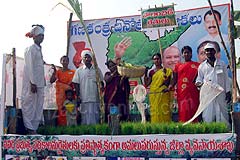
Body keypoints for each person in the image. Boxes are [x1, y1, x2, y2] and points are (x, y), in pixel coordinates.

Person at [195, 42, 231, 128]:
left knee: (223, 113)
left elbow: (226, 78)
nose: (209, 53)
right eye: (207, 51)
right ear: (205, 53)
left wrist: (228, 92)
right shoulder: (202, 66)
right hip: (208, 94)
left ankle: (224, 131)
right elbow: (199, 79)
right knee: (208, 114)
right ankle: (209, 132)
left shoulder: (221, 64)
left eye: (211, 51)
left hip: (220, 93)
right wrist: (198, 83)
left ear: (214, 52)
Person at [21, 24, 45, 134]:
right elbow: (29, 66)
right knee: (29, 104)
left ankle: (34, 128)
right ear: (34, 37)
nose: (42, 37)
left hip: (40, 83)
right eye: (40, 35)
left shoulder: (39, 49)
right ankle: (29, 127)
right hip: (32, 83)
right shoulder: (30, 49)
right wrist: (33, 82)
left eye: (43, 36)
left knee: (38, 105)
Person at [72, 50, 104, 125]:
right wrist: (78, 96)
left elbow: (101, 82)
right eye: (85, 57)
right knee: (84, 117)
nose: (87, 59)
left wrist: (101, 91)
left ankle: (95, 133)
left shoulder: (97, 70)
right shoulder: (79, 71)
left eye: (88, 57)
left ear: (91, 58)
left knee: (95, 116)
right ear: (82, 59)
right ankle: (86, 132)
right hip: (84, 98)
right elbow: (76, 84)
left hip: (95, 98)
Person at [169, 46, 200, 122]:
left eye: (188, 52)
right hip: (182, 92)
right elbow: (174, 79)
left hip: (194, 92)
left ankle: (195, 126)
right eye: (185, 53)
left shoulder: (198, 65)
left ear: (191, 54)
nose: (186, 54)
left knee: (194, 108)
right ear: (182, 55)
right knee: (183, 110)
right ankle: (184, 125)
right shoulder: (178, 66)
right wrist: (170, 86)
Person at [144, 53, 172, 123]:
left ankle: (165, 126)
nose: (156, 61)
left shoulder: (166, 70)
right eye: (154, 59)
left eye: (158, 59)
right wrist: (145, 73)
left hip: (163, 93)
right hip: (154, 94)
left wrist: (165, 75)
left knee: (163, 110)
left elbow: (167, 83)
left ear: (161, 60)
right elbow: (147, 84)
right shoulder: (151, 72)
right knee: (155, 111)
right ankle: (155, 126)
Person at [50, 55, 75, 126]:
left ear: (68, 62)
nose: (65, 62)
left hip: (69, 96)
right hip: (60, 96)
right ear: (61, 62)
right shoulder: (58, 72)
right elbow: (51, 81)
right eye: (63, 60)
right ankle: (62, 127)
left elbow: (74, 84)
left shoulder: (72, 72)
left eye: (66, 60)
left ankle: (70, 127)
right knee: (61, 111)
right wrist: (54, 72)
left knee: (70, 111)